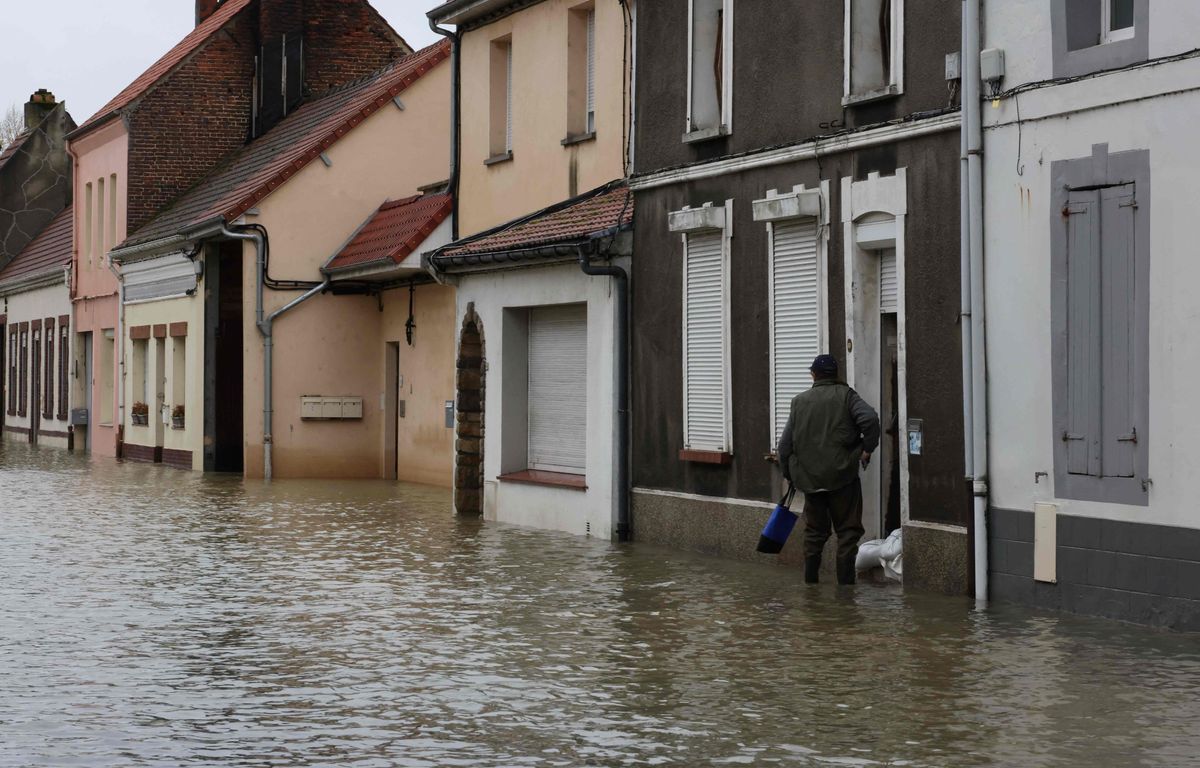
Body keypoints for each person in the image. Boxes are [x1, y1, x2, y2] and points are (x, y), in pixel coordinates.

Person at [777, 354, 880, 585]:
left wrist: (790, 475)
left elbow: (784, 447)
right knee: (847, 533)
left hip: (810, 482)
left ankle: (811, 587)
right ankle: (845, 592)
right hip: (843, 478)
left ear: (813, 375)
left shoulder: (799, 402)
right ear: (836, 375)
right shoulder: (846, 396)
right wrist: (867, 449)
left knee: (814, 533)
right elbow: (871, 419)